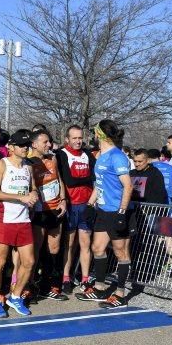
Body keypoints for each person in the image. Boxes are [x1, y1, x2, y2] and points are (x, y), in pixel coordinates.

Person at [76, 120, 133, 308]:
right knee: (97, 248)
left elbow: (128, 186)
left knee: (120, 252)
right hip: (102, 210)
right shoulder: (101, 155)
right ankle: (100, 288)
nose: (92, 133)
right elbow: (99, 184)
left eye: (95, 131)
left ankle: (120, 293)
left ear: (101, 133)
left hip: (117, 210)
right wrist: (90, 205)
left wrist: (122, 212)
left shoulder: (117, 156)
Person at [0, 129, 39, 318]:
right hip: (5, 219)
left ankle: (15, 296)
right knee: (0, 261)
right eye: (22, 145)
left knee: (29, 262)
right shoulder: (2, 164)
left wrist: (33, 194)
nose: (26, 148)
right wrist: (21, 197)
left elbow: (33, 188)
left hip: (23, 220)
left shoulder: (29, 167)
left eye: (28, 145)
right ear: (11, 147)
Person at [29, 129, 68, 300]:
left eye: (49, 142)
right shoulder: (29, 161)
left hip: (55, 208)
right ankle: (30, 283)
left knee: (54, 247)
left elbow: (59, 179)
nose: (49, 145)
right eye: (45, 142)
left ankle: (49, 284)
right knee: (36, 248)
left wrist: (64, 199)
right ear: (34, 144)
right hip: (39, 211)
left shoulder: (53, 158)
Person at [56, 125, 96, 293]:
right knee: (69, 244)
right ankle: (66, 277)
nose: (78, 141)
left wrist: (84, 180)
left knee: (86, 244)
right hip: (70, 205)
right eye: (74, 138)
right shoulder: (61, 154)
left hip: (86, 205)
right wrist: (85, 179)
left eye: (80, 138)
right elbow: (68, 180)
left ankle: (85, 279)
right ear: (67, 139)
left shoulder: (87, 155)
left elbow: (94, 177)